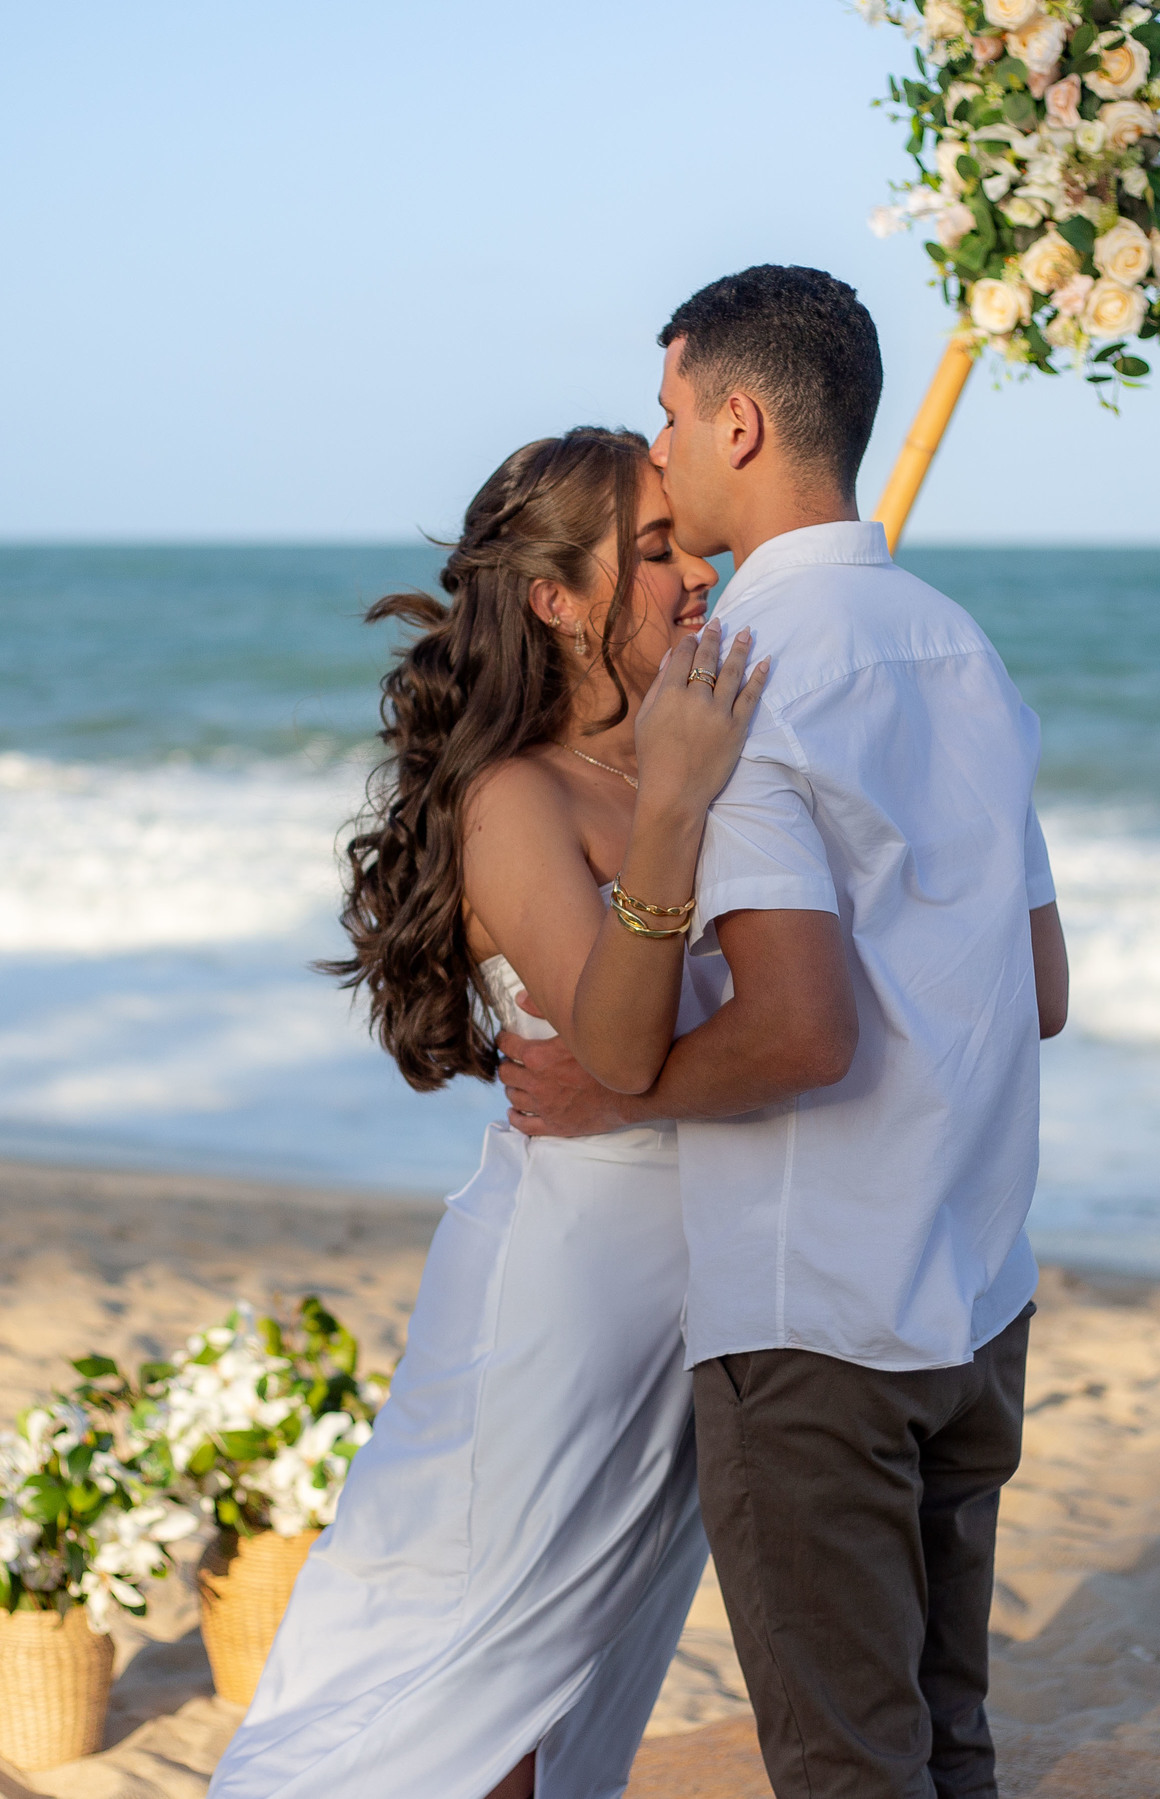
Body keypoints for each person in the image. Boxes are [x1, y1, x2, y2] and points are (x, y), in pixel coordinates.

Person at [500, 266, 1070, 1799]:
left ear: (739, 422)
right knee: (950, 1743)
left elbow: (801, 1031)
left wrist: (626, 1095)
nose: (661, 447)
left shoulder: (739, 670)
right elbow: (1047, 989)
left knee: (847, 1769)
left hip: (822, 1317)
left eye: (672, 414)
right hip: (977, 1291)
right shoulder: (960, 646)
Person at [206, 425, 769, 1799]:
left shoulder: (683, 751)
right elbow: (623, 1047)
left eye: (693, 541)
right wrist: (681, 805)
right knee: (479, 1663)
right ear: (555, 600)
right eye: (653, 551)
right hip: (563, 1294)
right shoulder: (518, 798)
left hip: (691, 1282)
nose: (698, 573)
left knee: (591, 1653)